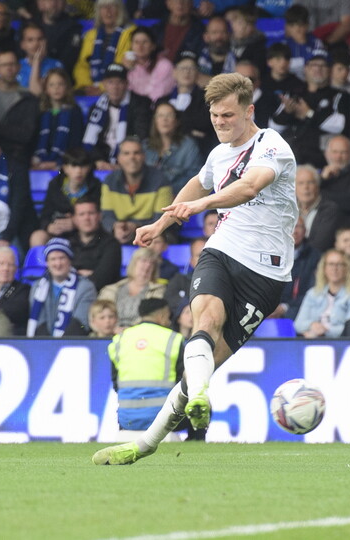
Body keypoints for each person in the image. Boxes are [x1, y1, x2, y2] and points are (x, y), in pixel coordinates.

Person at [93, 72, 297, 465]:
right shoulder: (218, 154)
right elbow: (196, 184)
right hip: (221, 250)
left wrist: (202, 207)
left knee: (199, 368)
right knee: (203, 321)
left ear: (248, 111)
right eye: (215, 116)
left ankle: (150, 440)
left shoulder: (272, 146)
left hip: (265, 273)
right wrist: (159, 223)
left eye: (228, 115)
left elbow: (250, 187)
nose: (220, 123)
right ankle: (172, 421)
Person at [108, 297, 188, 434]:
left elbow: (116, 383)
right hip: (165, 419)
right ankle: (195, 445)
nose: (169, 321)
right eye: (168, 316)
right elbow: (186, 382)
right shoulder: (173, 339)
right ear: (162, 315)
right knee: (201, 405)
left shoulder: (120, 340)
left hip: (128, 420)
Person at [272, 54, 349, 170]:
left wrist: (308, 113)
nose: (318, 69)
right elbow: (273, 127)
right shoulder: (293, 94)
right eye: (314, 65)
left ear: (329, 70)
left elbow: (339, 125)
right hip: (292, 161)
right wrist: (287, 113)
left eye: (323, 66)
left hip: (323, 163)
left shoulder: (339, 95)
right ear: (305, 69)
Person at [100, 137, 173, 245]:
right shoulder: (109, 181)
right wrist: (115, 226)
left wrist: (136, 226)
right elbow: (107, 217)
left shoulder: (160, 180)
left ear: (143, 156)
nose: (132, 157)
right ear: (119, 158)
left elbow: (161, 220)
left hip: (152, 233)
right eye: (126, 153)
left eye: (136, 153)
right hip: (120, 234)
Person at [81, 64, 152, 168]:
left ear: (127, 84)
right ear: (104, 84)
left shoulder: (140, 104)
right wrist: (98, 161)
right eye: (111, 82)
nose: (115, 87)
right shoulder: (96, 108)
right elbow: (91, 140)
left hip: (130, 158)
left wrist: (124, 160)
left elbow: (141, 136)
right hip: (101, 161)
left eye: (119, 82)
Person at [30, 148, 101, 247]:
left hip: (84, 233)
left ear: (89, 168)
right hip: (59, 233)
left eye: (83, 166)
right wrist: (49, 226)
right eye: (74, 166)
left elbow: (100, 217)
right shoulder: (55, 185)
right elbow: (45, 215)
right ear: (65, 168)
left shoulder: (96, 186)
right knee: (38, 237)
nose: (79, 171)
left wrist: (76, 223)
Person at [28, 238, 97, 337]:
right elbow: (39, 323)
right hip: (43, 346)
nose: (58, 264)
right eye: (53, 259)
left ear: (70, 261)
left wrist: (59, 345)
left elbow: (80, 323)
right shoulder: (37, 287)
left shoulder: (86, 287)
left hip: (73, 345)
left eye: (62, 258)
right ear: (47, 263)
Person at [294, 249, 350, 338]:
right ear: (324, 268)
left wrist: (323, 331)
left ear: (347, 268)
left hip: (340, 345)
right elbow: (298, 324)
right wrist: (312, 325)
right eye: (331, 264)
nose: (335, 268)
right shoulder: (312, 294)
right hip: (312, 342)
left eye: (340, 264)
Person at [74, 0, 135, 95]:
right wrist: (86, 86)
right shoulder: (91, 35)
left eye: (112, 6)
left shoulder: (131, 33)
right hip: (91, 88)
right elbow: (82, 65)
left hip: (117, 89)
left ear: (120, 10)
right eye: (103, 7)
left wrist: (102, 88)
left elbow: (122, 65)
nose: (108, 11)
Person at [0, 50, 41, 170]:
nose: (9, 68)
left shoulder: (28, 97)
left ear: (19, 67)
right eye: (4, 65)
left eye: (12, 64)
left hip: (17, 158)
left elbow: (26, 134)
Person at [143, 101, 203, 196]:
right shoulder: (146, 146)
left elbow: (195, 177)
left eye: (169, 115)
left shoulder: (188, 145)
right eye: (160, 115)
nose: (165, 119)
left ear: (176, 121)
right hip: (147, 199)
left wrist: (166, 192)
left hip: (177, 198)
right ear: (155, 121)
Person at [98, 248, 167, 328]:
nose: (147, 265)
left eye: (152, 263)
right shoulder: (111, 289)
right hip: (111, 331)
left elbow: (153, 316)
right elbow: (99, 313)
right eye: (144, 261)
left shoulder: (158, 290)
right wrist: (113, 329)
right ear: (134, 263)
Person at [32, 69, 86, 170]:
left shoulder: (74, 111)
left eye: (60, 84)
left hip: (66, 163)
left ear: (67, 87)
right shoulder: (40, 111)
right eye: (51, 85)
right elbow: (34, 139)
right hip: (38, 162)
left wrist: (58, 162)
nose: (56, 88)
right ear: (46, 89)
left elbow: (75, 142)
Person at [167, 51, 216, 153]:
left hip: (197, 151)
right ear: (174, 72)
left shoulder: (207, 98)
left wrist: (174, 125)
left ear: (198, 73)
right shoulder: (163, 100)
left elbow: (203, 123)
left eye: (191, 68)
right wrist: (191, 130)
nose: (187, 72)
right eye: (182, 68)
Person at [69, 199, 122, 290]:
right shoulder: (67, 242)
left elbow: (102, 280)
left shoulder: (112, 244)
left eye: (91, 213)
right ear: (75, 219)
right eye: (81, 214)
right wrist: (89, 274)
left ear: (99, 216)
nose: (87, 218)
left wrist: (75, 275)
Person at [274, 216, 320, 320]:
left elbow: (313, 291)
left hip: (299, 313)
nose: (294, 231)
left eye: (298, 227)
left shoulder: (315, 257)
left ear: (305, 231)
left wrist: (284, 307)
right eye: (290, 226)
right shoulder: (271, 254)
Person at [296, 164, 349, 252]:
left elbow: (320, 244)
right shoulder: (288, 211)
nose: (306, 187)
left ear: (317, 186)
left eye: (310, 182)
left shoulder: (330, 210)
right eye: (301, 183)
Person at [121, 27, 175, 103]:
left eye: (145, 42)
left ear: (153, 46)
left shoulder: (164, 66)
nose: (140, 46)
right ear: (131, 46)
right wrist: (125, 71)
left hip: (155, 108)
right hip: (132, 109)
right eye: (136, 42)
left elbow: (158, 94)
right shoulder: (127, 65)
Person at [280, 5, 327, 80]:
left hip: (311, 82)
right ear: (287, 27)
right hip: (288, 82)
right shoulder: (283, 44)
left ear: (307, 25)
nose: (297, 29)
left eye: (300, 24)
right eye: (292, 25)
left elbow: (320, 64)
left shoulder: (316, 42)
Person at [18, 22, 64, 96]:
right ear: (23, 45)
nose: (36, 44)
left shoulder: (56, 65)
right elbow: (34, 94)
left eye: (40, 39)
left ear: (45, 42)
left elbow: (39, 94)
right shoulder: (17, 67)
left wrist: (36, 62)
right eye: (30, 40)